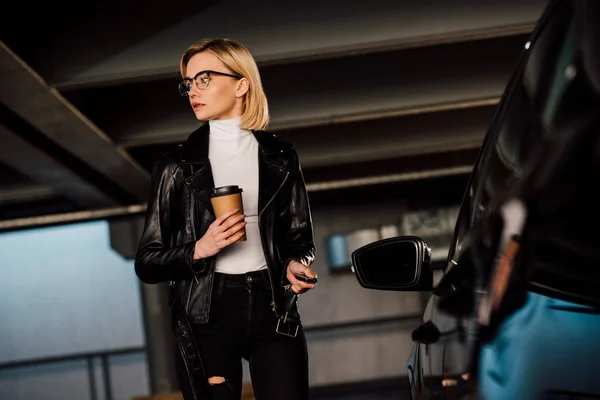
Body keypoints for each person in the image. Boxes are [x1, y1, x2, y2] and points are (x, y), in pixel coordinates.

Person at [134, 38, 317, 400]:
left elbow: (300, 237)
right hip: (207, 315)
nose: (192, 91)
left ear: (241, 84)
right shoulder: (175, 167)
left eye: (204, 78)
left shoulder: (281, 156)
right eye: (188, 83)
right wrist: (200, 248)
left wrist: (297, 263)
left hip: (273, 308)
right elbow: (147, 262)